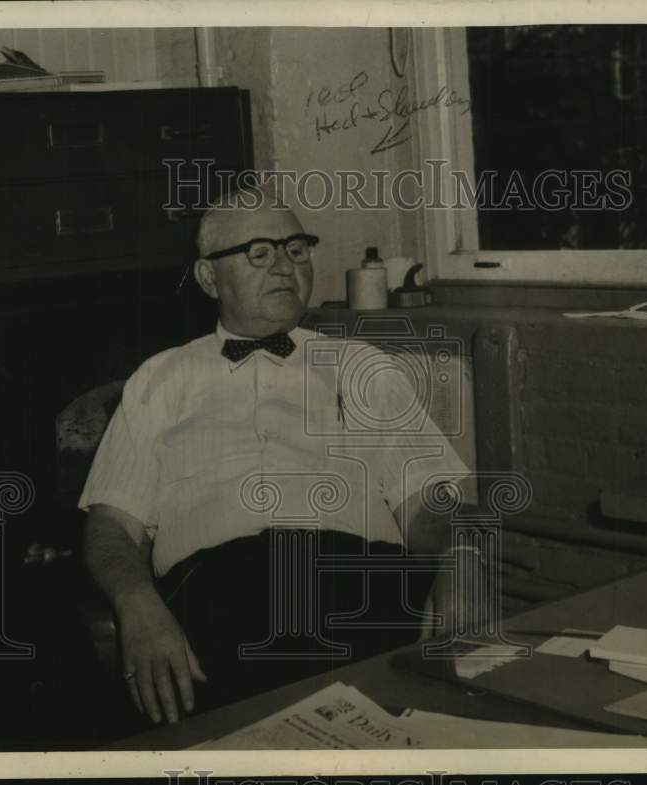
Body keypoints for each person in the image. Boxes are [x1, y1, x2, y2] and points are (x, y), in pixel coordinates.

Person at [80, 189, 480, 726]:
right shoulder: (160, 377)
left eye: (296, 248)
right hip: (220, 592)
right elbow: (110, 526)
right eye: (259, 253)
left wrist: (460, 558)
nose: (285, 267)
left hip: (360, 580)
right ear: (207, 278)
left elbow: (428, 499)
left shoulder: (362, 365)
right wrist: (136, 605)